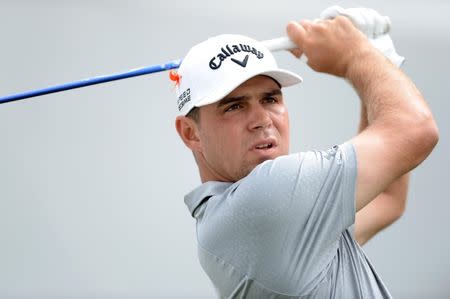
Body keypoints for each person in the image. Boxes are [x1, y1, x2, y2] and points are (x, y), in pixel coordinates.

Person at [173, 11, 439, 298]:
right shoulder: (267, 197)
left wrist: (377, 59)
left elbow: (388, 198)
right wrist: (356, 56)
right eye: (234, 106)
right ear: (191, 133)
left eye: (270, 99)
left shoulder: (258, 219)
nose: (262, 119)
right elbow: (416, 130)